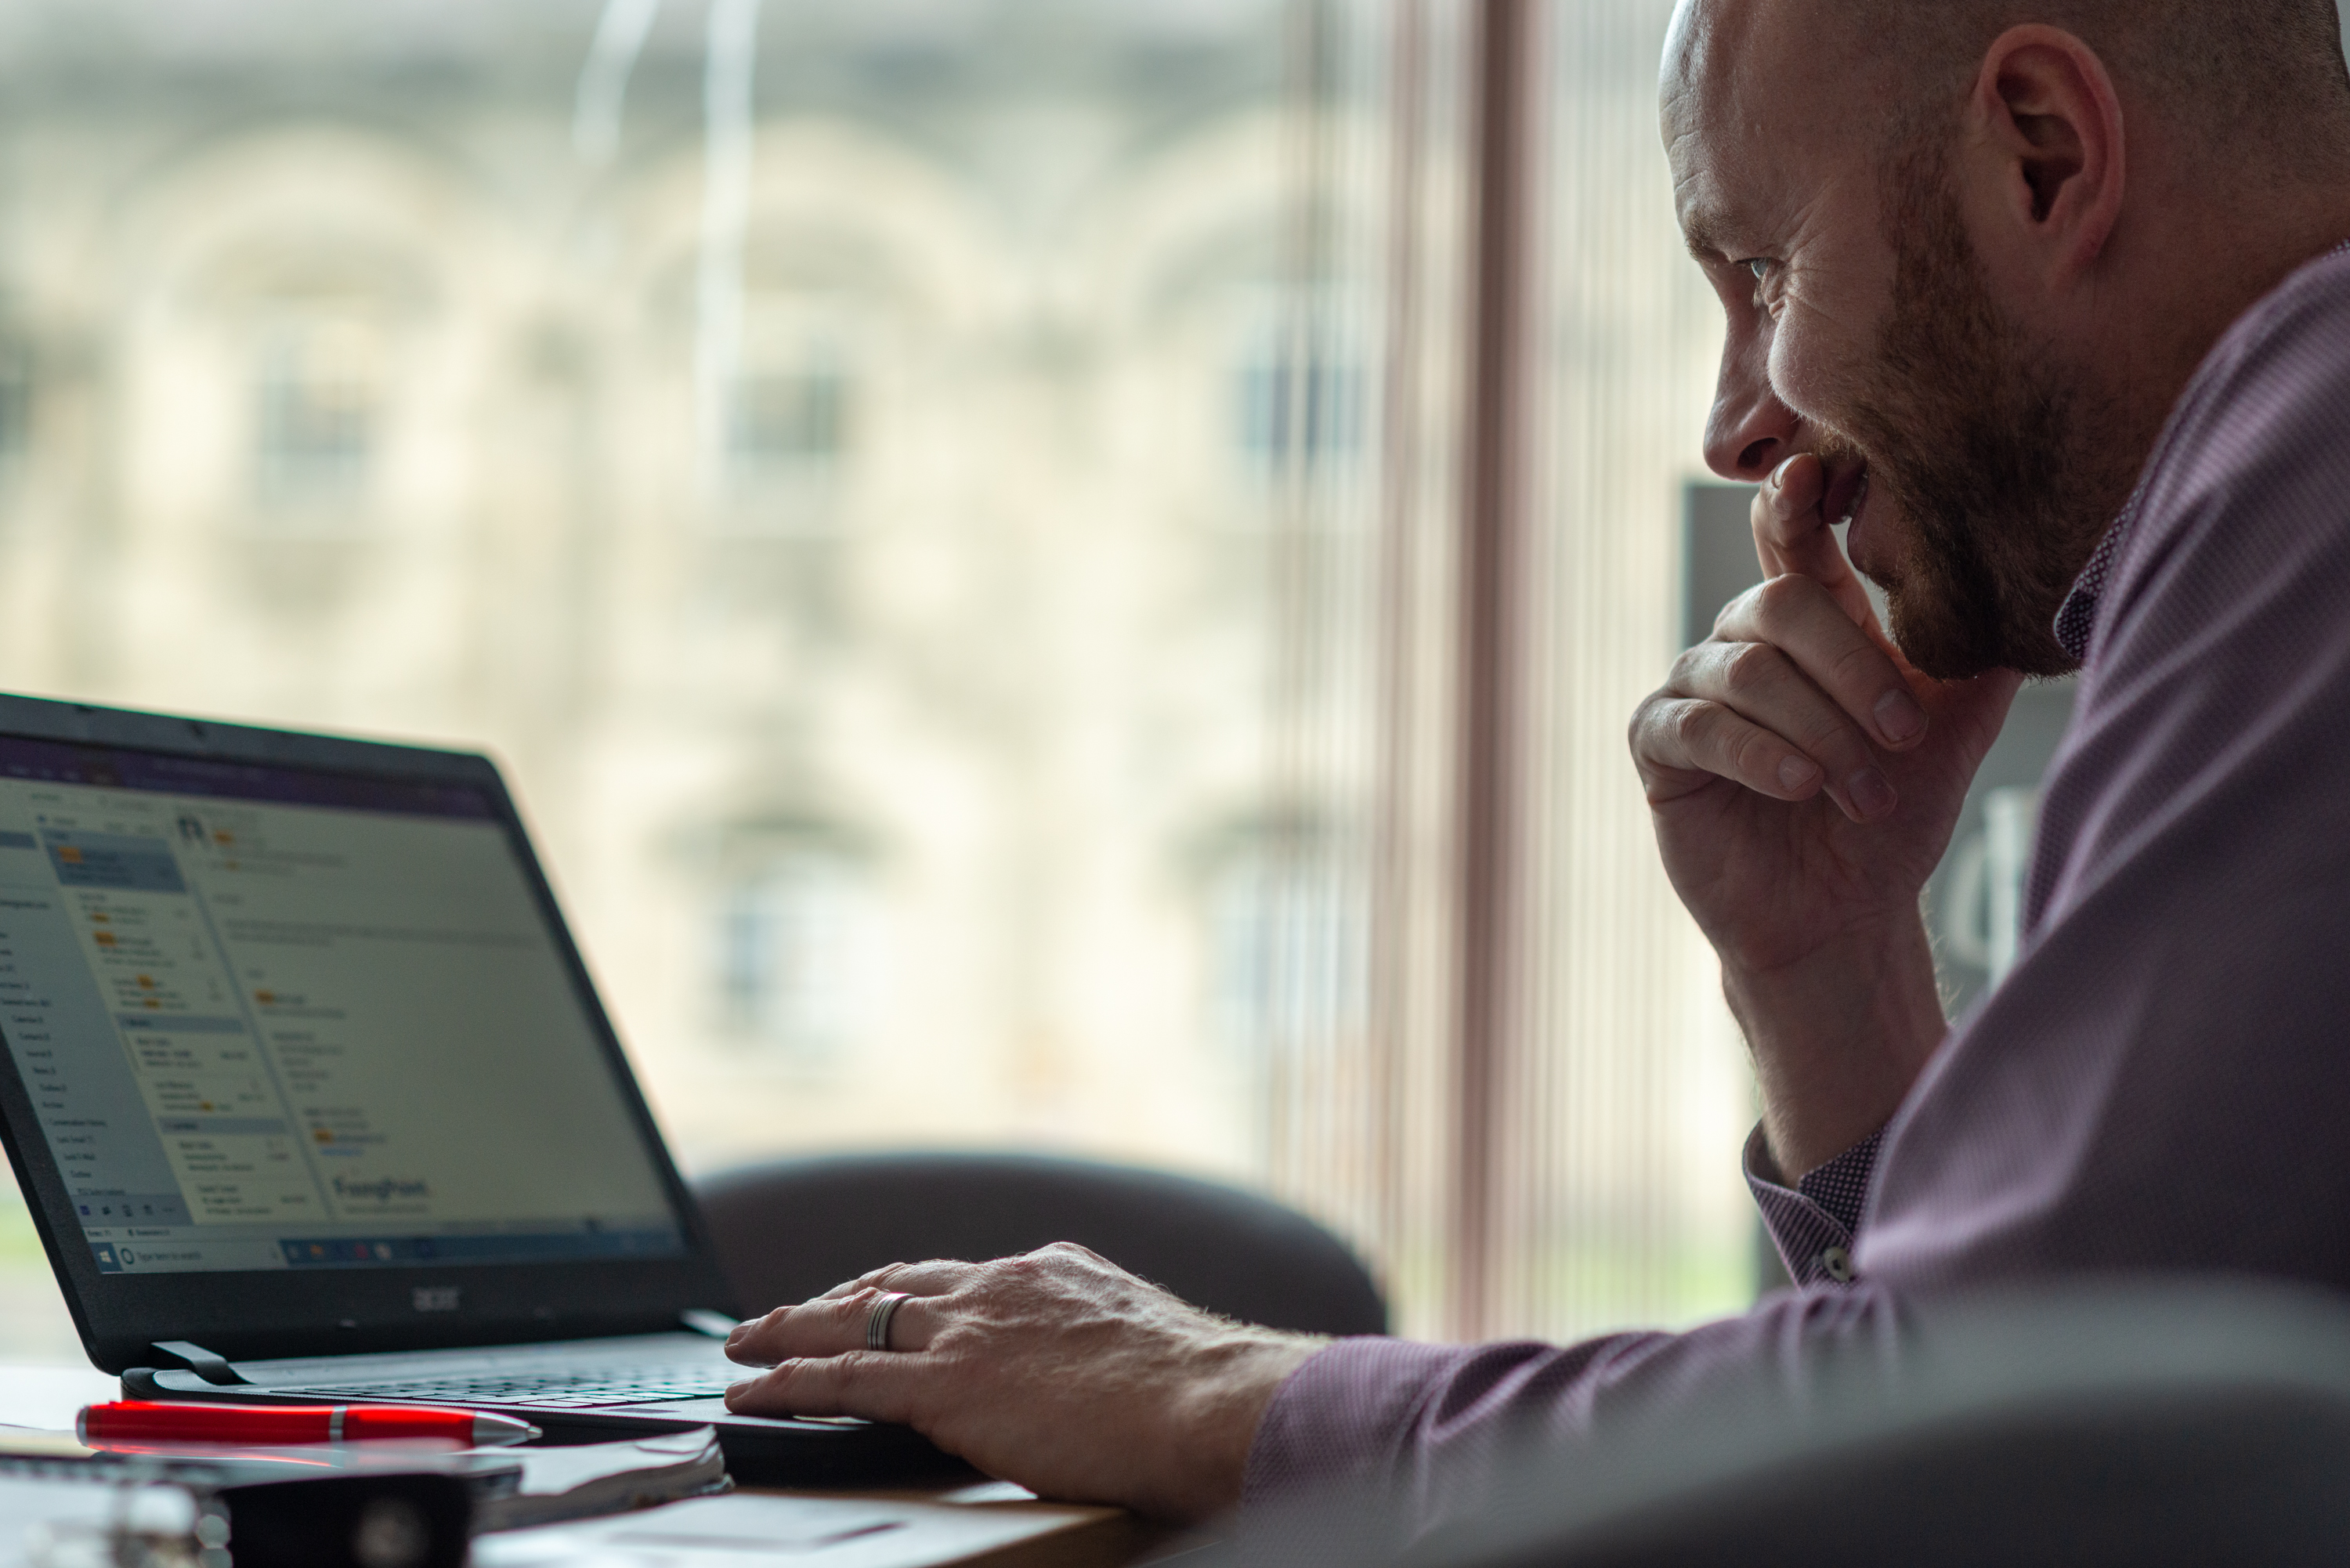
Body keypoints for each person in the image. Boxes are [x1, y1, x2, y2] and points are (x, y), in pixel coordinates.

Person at [721, 0, 2350, 1541]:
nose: (1733, 425)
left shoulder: (2315, 451)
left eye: (1765, 272)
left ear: (2045, 155)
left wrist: (1205, 1390)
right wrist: (1830, 968)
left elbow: (2012, 1471)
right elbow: (2059, 1399)